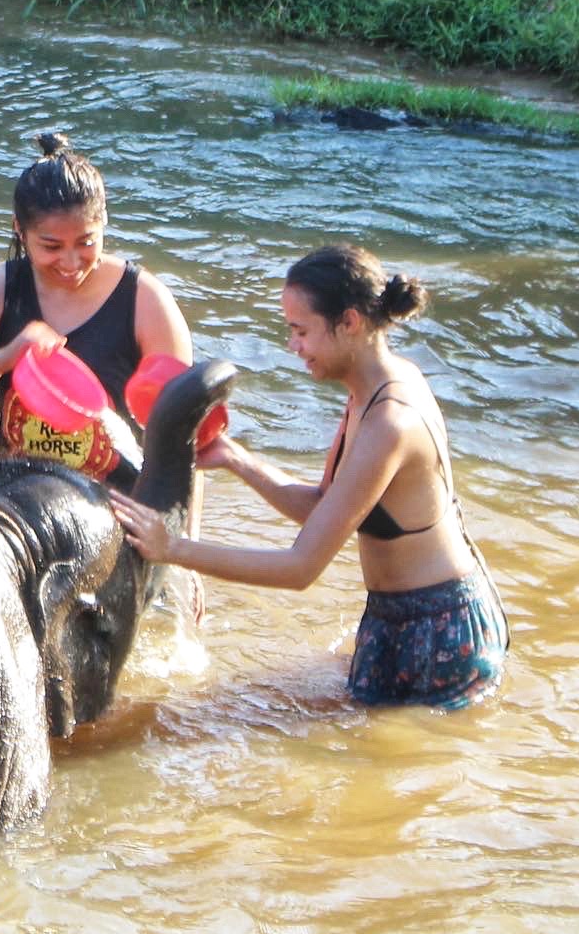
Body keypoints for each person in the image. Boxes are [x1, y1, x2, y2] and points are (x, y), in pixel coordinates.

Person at [110, 244, 508, 709]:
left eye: (301, 331)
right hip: (396, 617)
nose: (292, 346)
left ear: (350, 323)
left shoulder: (391, 419)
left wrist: (174, 549)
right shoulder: (369, 390)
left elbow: (301, 569)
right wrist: (239, 460)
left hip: (440, 631)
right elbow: (324, 506)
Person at [0, 132, 194, 491]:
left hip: (117, 499)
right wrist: (6, 357)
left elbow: (183, 434)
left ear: (103, 221)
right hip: (15, 489)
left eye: (86, 242)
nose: (71, 262)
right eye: (51, 246)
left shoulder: (146, 300)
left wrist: (179, 542)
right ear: (19, 229)